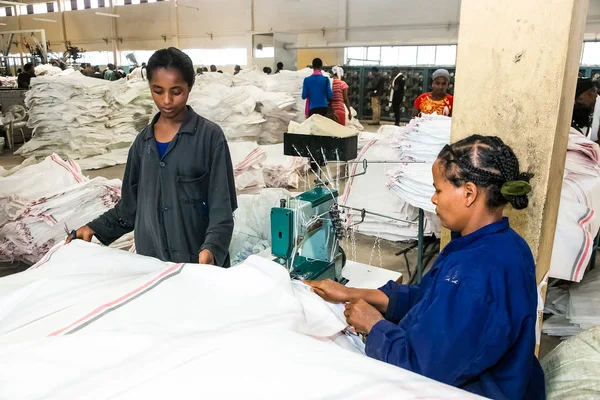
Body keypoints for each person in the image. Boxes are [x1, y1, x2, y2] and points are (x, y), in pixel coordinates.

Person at [306, 135, 544, 399]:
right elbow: (427, 298)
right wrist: (353, 294)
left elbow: (421, 369)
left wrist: (374, 325)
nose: (433, 199)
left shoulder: (477, 274)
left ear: (468, 193)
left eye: (438, 190)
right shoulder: (491, 245)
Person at [66, 47, 238, 267]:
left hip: (198, 265)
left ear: (189, 87)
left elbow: (221, 208)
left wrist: (211, 248)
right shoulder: (142, 144)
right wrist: (94, 228)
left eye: (176, 92)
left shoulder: (209, 137)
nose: (166, 100)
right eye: (158, 91)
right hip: (152, 265)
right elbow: (129, 209)